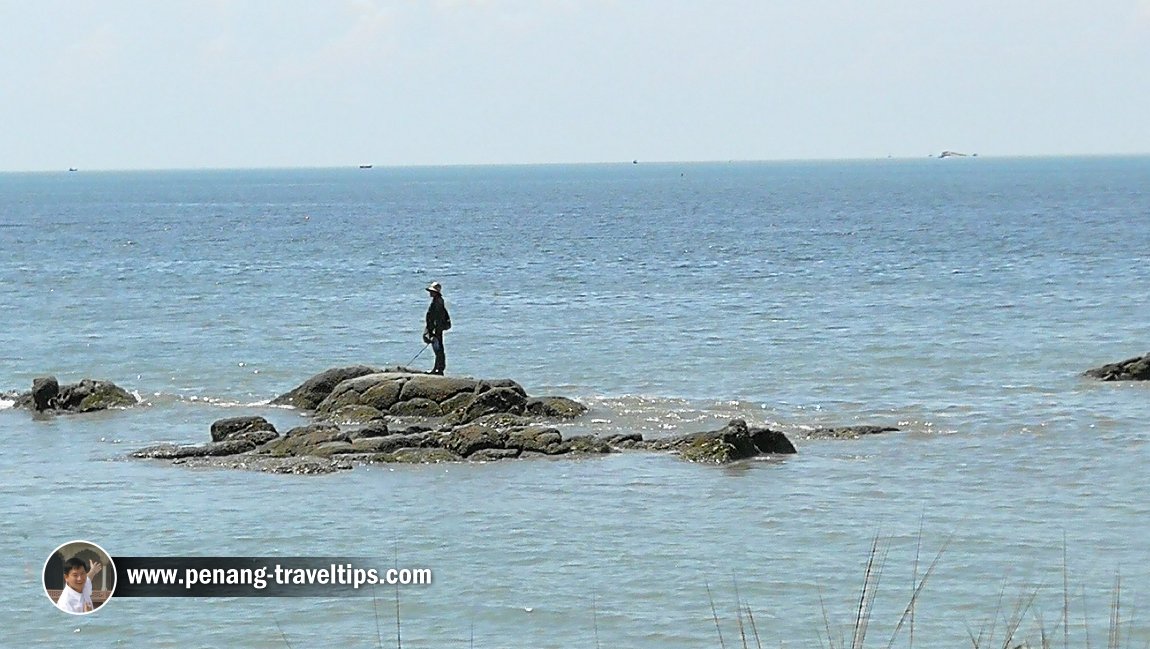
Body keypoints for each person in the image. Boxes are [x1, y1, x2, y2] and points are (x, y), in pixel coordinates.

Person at [423, 281, 451, 375]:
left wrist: (434, 331)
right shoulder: (437, 300)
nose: (430, 293)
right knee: (438, 349)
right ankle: (438, 368)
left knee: (438, 349)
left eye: (431, 291)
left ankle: (438, 369)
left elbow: (438, 317)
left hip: (437, 329)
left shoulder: (438, 302)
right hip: (437, 329)